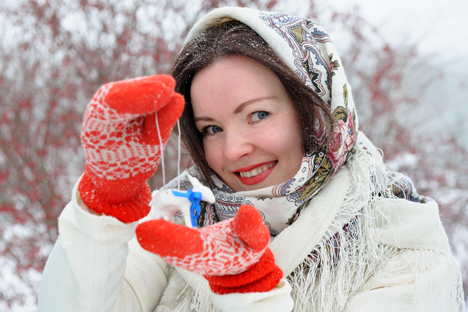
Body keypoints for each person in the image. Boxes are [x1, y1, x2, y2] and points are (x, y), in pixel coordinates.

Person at [38, 7, 464, 312]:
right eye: (212, 128)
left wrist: (248, 290)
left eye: (257, 114)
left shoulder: (400, 249)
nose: (232, 149)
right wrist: (106, 208)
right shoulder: (180, 217)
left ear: (313, 112)